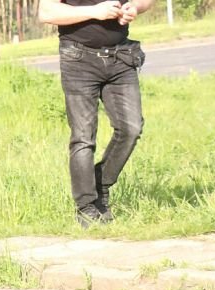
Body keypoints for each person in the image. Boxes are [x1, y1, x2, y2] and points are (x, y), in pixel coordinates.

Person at [38, 0, 154, 227]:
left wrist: (135, 8)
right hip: (78, 58)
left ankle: (100, 184)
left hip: (121, 57)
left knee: (131, 129)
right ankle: (86, 207)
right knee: (83, 137)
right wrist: (95, 12)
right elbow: (47, 12)